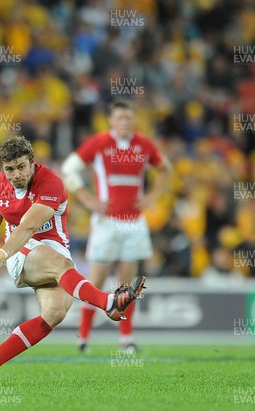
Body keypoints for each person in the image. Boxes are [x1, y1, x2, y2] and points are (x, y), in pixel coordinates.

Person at [0, 135, 146, 387]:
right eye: (9, 169)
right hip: (18, 253)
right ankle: (109, 302)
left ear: (32, 163)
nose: (16, 174)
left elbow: (29, 225)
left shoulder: (50, 182)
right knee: (61, 266)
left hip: (48, 250)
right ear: (2, 168)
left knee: (53, 314)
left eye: (21, 166)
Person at [61, 100, 171, 353]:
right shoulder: (99, 143)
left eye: (129, 118)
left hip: (133, 222)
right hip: (106, 222)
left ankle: (126, 340)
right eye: (120, 118)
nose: (125, 122)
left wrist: (152, 196)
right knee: (96, 281)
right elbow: (69, 169)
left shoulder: (144, 144)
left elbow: (165, 169)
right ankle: (83, 338)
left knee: (127, 284)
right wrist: (89, 200)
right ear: (111, 121)